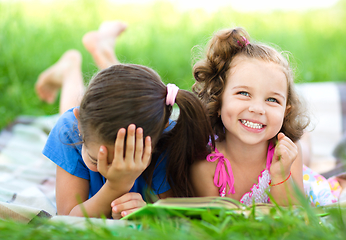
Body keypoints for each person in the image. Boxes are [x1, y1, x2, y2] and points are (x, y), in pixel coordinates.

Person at [36, 21, 214, 219]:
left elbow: (174, 216)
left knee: (128, 97)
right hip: (80, 124)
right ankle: (70, 69)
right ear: (80, 121)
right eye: (97, 159)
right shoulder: (71, 127)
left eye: (128, 158)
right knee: (68, 113)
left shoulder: (164, 145)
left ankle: (102, 51)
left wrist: (148, 210)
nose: (114, 169)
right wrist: (116, 186)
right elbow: (68, 217)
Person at [190, 27, 319, 206]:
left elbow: (293, 219)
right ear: (218, 100)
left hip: (300, 175)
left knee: (301, 149)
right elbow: (212, 225)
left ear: (285, 111)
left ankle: (306, 139)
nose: (258, 109)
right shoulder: (205, 165)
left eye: (272, 99)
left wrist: (281, 174)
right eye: (243, 93)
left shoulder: (289, 155)